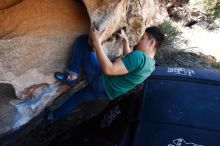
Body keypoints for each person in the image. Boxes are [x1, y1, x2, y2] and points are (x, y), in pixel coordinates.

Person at [45, 25, 164, 121]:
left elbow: (109, 69)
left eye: (143, 38)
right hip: (106, 93)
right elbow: (130, 60)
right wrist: (125, 41)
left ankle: (72, 75)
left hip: (101, 81)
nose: (139, 40)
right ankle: (52, 117)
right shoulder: (151, 65)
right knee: (77, 98)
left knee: (83, 42)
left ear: (151, 42)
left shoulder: (139, 57)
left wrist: (97, 42)